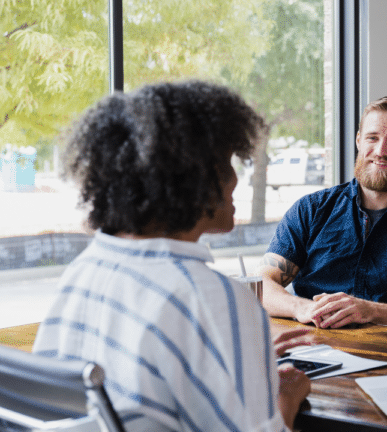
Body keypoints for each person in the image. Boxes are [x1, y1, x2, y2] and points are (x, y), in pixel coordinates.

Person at [32, 81, 311, 431]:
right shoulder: (212, 298)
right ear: (192, 178)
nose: (236, 179)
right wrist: (286, 398)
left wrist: (235, 365)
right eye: (227, 163)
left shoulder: (83, 271)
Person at [260, 96, 387, 331]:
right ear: (358, 141)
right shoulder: (310, 210)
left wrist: (371, 310)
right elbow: (262, 286)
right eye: (372, 138)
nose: (380, 151)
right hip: (312, 352)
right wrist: (301, 308)